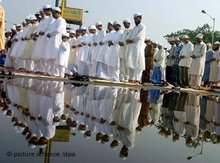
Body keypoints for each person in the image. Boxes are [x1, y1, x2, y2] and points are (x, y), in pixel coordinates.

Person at [45, 7, 67, 76]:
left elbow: (58, 30)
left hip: (57, 40)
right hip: (52, 40)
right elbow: (48, 30)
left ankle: (56, 73)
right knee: (51, 57)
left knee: (56, 57)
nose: (53, 15)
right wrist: (47, 34)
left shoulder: (62, 21)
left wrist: (50, 34)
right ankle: (51, 72)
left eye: (54, 13)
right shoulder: (54, 22)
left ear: (58, 13)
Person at [126, 13, 146, 83]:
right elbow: (129, 36)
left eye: (136, 18)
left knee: (138, 64)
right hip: (132, 48)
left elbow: (139, 37)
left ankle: (137, 80)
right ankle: (131, 79)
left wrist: (131, 40)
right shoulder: (134, 28)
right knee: (131, 63)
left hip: (138, 47)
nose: (135, 20)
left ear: (140, 18)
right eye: (134, 19)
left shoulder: (142, 27)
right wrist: (128, 39)